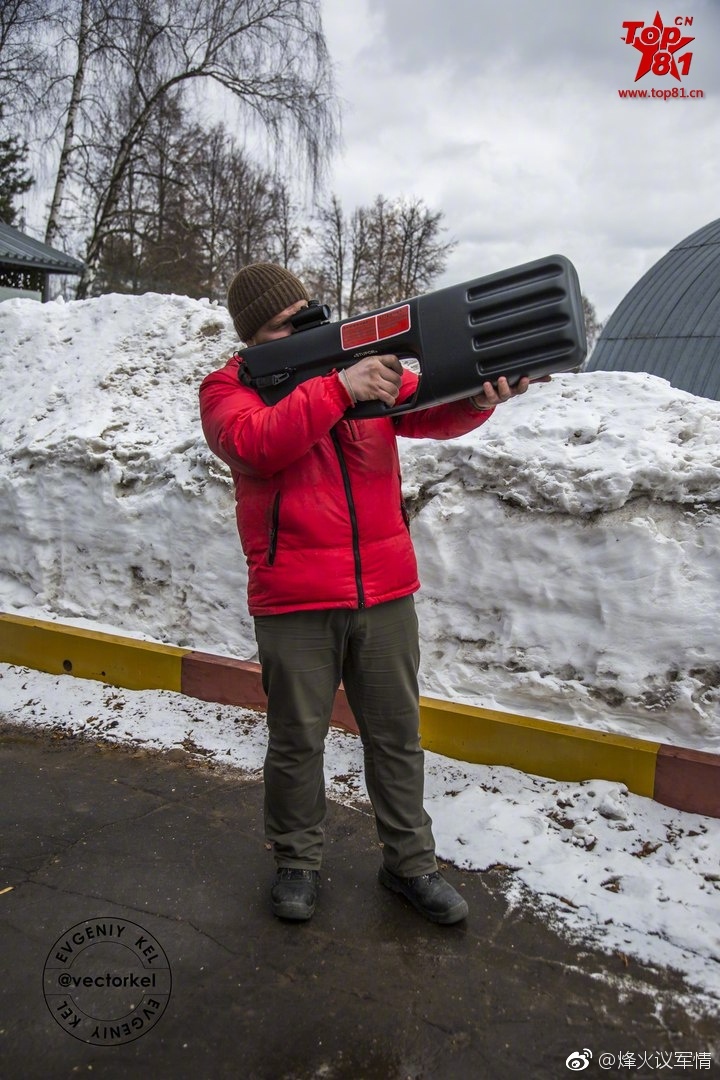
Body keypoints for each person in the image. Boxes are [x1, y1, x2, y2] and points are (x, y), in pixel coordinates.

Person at [199, 262, 533, 925]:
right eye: (282, 327)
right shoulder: (227, 388)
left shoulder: (347, 360)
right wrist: (337, 389)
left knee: (397, 737)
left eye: (304, 314)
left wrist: (477, 399)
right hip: (293, 597)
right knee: (297, 740)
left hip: (383, 590)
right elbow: (256, 445)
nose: (303, 329)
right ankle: (297, 862)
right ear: (252, 337)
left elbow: (421, 411)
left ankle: (409, 866)